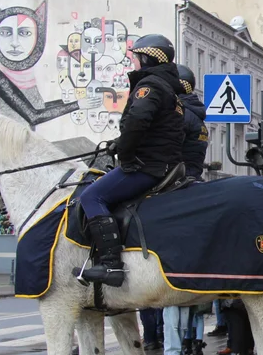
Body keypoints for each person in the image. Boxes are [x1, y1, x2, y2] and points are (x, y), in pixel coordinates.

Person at [76, 34, 185, 287]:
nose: (133, 64)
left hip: (147, 165)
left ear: (147, 58)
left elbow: (138, 122)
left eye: (135, 58)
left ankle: (111, 265)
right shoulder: (170, 90)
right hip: (163, 162)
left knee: (91, 197)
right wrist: (119, 140)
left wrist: (125, 155)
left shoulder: (151, 85)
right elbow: (156, 130)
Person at [176, 64, 209, 181]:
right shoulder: (194, 114)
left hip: (179, 180)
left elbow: (169, 148)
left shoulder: (181, 113)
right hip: (191, 176)